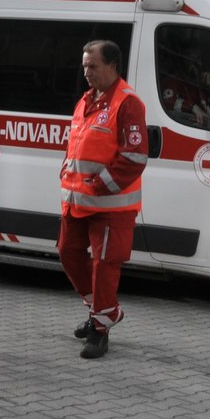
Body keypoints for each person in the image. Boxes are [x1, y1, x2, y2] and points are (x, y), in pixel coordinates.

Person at [58, 39, 148, 360]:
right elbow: (78, 146)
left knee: (104, 266)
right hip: (77, 202)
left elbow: (135, 157)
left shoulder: (128, 103)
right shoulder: (87, 100)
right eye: (84, 66)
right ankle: (104, 310)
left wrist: (99, 185)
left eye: (93, 66)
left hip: (111, 206)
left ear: (112, 66)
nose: (87, 72)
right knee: (68, 253)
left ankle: (100, 329)